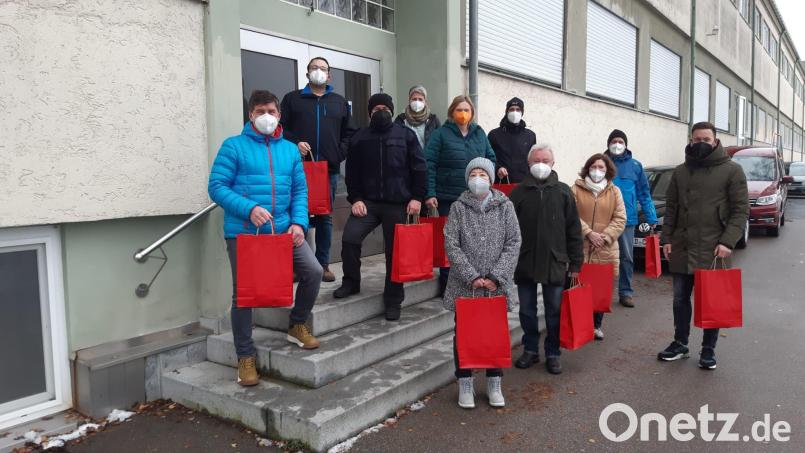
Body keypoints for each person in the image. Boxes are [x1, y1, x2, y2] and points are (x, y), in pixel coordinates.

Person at [208, 90, 323, 387]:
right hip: (244, 233)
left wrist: (299, 223)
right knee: (244, 295)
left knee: (313, 271)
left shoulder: (289, 150)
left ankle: (297, 324)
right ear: (251, 115)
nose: (267, 117)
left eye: (271, 111)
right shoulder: (233, 146)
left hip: (283, 230)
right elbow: (217, 187)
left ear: (279, 115)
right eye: (260, 112)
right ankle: (245, 356)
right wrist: (249, 209)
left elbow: (300, 191)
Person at [658, 122, 748, 370]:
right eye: (697, 139)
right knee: (679, 300)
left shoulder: (732, 171)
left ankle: (708, 350)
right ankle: (680, 344)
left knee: (712, 301)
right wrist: (666, 239)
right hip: (683, 247)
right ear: (691, 140)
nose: (701, 143)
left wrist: (728, 241)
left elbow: (740, 211)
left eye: (706, 139)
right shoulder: (680, 171)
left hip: (714, 249)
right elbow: (671, 209)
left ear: (715, 141)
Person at [333, 93, 427, 321]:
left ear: (392, 111)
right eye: (376, 109)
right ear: (369, 113)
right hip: (368, 203)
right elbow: (352, 173)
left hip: (399, 204)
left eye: (385, 108)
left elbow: (420, 168)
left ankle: (393, 300)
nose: (381, 112)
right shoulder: (359, 137)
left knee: (394, 254)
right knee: (350, 239)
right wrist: (355, 199)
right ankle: (351, 282)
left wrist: (417, 198)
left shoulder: (406, 135)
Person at [443, 157, 521, 409]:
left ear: (491, 178)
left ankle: (494, 381)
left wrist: (496, 276)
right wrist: (472, 276)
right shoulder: (458, 207)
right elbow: (451, 244)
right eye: (473, 174)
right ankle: (465, 382)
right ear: (467, 179)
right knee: (463, 334)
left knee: (494, 333)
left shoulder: (505, 206)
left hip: (496, 285)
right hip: (465, 285)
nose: (478, 179)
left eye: (483, 174)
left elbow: (513, 242)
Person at [510, 144, 584, 375]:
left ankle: (553, 352)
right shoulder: (518, 193)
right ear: (528, 163)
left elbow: (574, 230)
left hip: (555, 261)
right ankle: (530, 350)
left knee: (554, 311)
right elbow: (508, 231)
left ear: (553, 163)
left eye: (545, 160)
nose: (540, 164)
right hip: (525, 261)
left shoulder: (563, 192)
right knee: (526, 311)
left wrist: (576, 263)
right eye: (536, 160)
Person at [280, 57, 354, 283]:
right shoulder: (292, 99)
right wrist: (295, 144)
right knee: (296, 215)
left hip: (328, 170)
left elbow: (349, 134)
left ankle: (322, 265)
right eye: (314, 68)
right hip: (298, 168)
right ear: (307, 73)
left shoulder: (339, 102)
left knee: (324, 217)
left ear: (329, 75)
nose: (318, 71)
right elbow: (281, 129)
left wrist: (338, 154)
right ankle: (297, 266)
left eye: (323, 68)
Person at [424, 95, 496, 295]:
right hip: (447, 197)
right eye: (459, 110)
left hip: (474, 197)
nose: (463, 114)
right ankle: (448, 284)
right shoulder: (440, 134)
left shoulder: (479, 133)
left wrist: (484, 180)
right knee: (451, 241)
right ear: (452, 112)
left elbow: (490, 158)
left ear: (472, 113)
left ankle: (472, 281)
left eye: (466, 110)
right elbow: (429, 164)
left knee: (472, 240)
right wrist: (430, 193)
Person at [570, 154, 626, 340]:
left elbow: (620, 218)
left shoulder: (614, 191)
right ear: (587, 168)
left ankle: (596, 325)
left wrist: (605, 236)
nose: (597, 170)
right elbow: (570, 215)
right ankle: (580, 323)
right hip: (581, 245)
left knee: (599, 287)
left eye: (601, 167)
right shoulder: (575, 189)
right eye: (593, 166)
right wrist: (588, 233)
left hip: (604, 247)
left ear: (607, 170)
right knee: (579, 286)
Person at [604, 129, 657, 308]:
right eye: (614, 141)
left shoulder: (635, 166)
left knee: (626, 257)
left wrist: (651, 216)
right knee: (603, 257)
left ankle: (625, 292)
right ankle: (602, 293)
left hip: (627, 220)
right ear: (608, 144)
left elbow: (644, 193)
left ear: (626, 144)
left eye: (620, 141)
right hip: (605, 219)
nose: (617, 144)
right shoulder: (600, 163)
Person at [487, 97, 537, 183]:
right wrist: (498, 168)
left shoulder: (530, 136)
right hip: (501, 183)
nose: (515, 112)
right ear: (507, 112)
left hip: (524, 184)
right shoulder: (494, 134)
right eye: (512, 109)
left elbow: (533, 160)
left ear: (522, 112)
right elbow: (488, 158)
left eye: (518, 109)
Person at [394, 85, 441, 149]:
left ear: (425, 101)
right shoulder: (401, 119)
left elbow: (440, 142)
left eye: (420, 99)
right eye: (414, 99)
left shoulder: (433, 120)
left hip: (427, 155)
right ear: (409, 100)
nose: (417, 102)